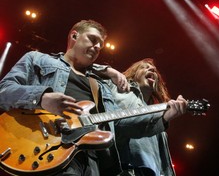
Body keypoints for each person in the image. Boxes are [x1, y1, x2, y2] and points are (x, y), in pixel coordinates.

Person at [0, 20, 187, 176]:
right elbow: (4, 91)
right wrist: (42, 98)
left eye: (100, 45)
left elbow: (118, 127)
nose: (97, 47)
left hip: (92, 163)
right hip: (45, 150)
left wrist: (163, 117)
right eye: (92, 39)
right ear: (74, 36)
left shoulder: (102, 86)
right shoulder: (37, 59)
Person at [109, 58, 188, 176]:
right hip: (122, 168)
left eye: (155, 71)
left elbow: (163, 160)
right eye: (144, 67)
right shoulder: (116, 89)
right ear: (134, 73)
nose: (152, 69)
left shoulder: (158, 115)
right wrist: (110, 71)